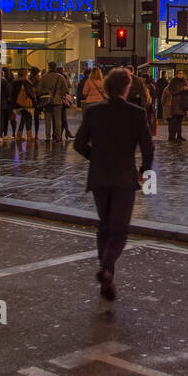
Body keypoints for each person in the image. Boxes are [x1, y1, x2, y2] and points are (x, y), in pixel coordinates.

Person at [74, 67, 155, 302]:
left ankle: (106, 278)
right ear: (127, 87)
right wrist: (143, 170)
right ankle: (107, 268)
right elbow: (148, 147)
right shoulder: (136, 113)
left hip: (99, 175)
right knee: (119, 229)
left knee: (105, 225)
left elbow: (79, 144)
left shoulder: (94, 112)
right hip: (123, 176)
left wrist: (96, 157)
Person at [39, 61, 70, 143]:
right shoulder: (60, 77)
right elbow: (65, 89)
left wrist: (45, 93)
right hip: (57, 100)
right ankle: (58, 137)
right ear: (55, 67)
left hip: (47, 100)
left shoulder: (44, 77)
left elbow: (39, 89)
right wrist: (59, 95)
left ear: (49, 67)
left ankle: (48, 137)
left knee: (47, 120)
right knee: (58, 119)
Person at [163, 70, 188, 142]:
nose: (181, 75)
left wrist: (187, 89)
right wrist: (182, 89)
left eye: (182, 73)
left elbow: (187, 92)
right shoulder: (173, 81)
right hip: (175, 104)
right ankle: (172, 137)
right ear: (176, 74)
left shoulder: (184, 81)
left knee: (179, 121)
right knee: (174, 121)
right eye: (180, 73)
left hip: (182, 104)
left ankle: (179, 136)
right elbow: (173, 92)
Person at [11, 68, 36, 140]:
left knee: (24, 118)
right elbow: (29, 92)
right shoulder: (26, 82)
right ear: (25, 74)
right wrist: (34, 100)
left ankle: (19, 135)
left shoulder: (14, 82)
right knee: (28, 118)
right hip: (25, 103)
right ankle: (29, 135)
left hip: (17, 103)